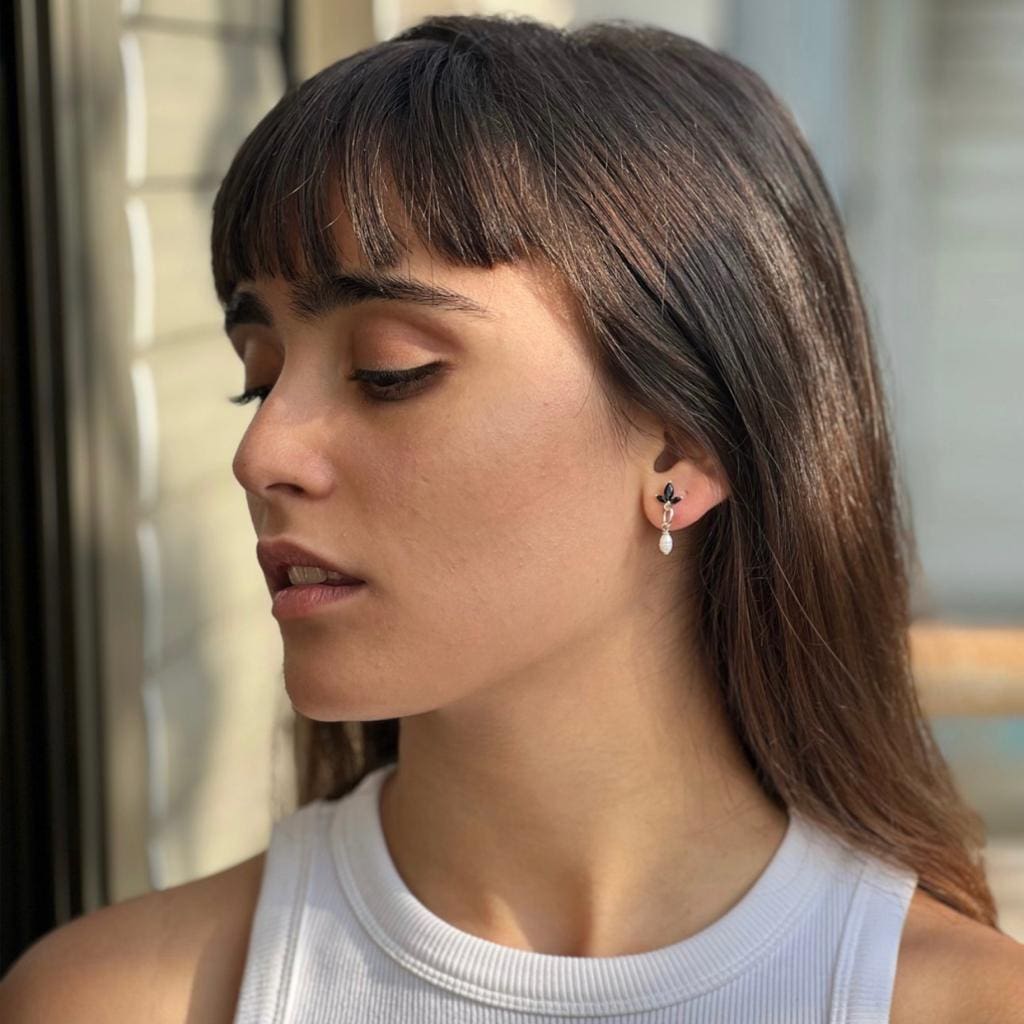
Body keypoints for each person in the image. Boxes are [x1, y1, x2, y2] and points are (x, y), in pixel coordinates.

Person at [3, 12, 1023, 1023]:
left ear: (681, 448)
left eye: (388, 371)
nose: (260, 454)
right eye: (258, 377)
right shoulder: (117, 1001)